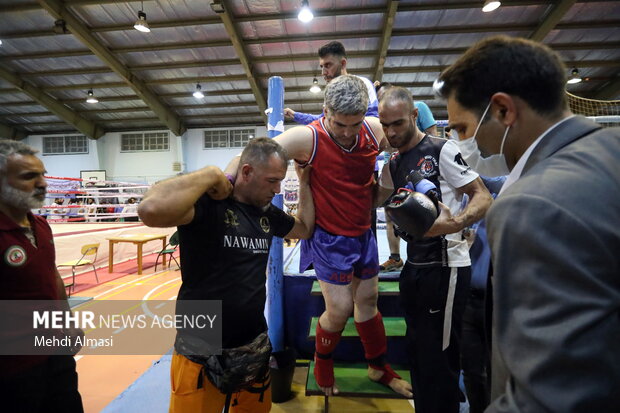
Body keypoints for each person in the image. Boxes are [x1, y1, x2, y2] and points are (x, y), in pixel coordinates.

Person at [436, 35, 620, 412]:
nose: (459, 143)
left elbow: (554, 393)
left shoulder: (531, 203)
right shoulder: (608, 150)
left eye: (462, 129)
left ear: (503, 110)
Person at [226, 75, 412, 398]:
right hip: (328, 237)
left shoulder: (373, 130)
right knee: (339, 309)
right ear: (325, 111)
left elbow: (411, 139)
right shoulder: (308, 138)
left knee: (368, 302)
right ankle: (322, 359)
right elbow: (252, 155)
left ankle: (377, 366)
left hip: (363, 233)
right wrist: (223, 183)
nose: (347, 132)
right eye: (340, 124)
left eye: (354, 124)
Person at [138, 137, 315, 413]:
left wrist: (304, 183)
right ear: (246, 172)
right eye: (272, 181)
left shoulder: (266, 214)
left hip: (252, 341)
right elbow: (149, 210)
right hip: (201, 341)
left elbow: (304, 229)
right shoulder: (209, 205)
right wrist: (210, 173)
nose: (278, 188)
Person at [377, 86, 492, 413]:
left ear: (414, 116)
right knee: (417, 349)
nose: (392, 132)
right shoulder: (394, 161)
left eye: (398, 123)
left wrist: (456, 224)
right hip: (413, 268)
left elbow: (482, 195)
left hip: (447, 268)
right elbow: (375, 197)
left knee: (440, 357)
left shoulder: (441, 149)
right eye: (386, 125)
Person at [0, 139, 84, 412]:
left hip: (55, 352)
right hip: (13, 367)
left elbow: (53, 276)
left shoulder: (41, 225)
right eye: (29, 176)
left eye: (42, 175)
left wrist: (67, 322)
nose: (43, 183)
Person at [375, 81, 440, 273]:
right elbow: (387, 143)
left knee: (426, 207)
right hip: (395, 166)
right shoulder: (383, 120)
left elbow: (432, 135)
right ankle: (395, 257)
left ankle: (434, 254)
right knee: (392, 212)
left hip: (421, 166)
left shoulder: (419, 108)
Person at [283, 41, 378, 124]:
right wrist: (295, 115)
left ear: (343, 63)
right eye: (322, 67)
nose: (323, 72)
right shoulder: (330, 94)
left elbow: (374, 118)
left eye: (328, 65)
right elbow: (322, 120)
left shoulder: (363, 83)